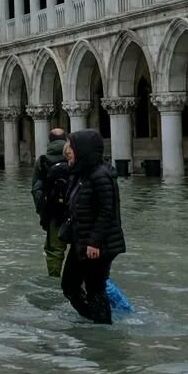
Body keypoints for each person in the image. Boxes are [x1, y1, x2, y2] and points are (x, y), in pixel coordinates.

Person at [60, 129, 127, 324]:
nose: (69, 151)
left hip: (97, 246)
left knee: (94, 289)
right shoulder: (82, 173)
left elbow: (107, 212)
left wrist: (94, 242)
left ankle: (102, 326)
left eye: (72, 147)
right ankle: (93, 318)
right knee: (69, 286)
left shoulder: (101, 175)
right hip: (81, 241)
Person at [31, 128, 71, 277]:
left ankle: (54, 279)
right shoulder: (75, 158)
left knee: (54, 250)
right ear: (66, 139)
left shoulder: (42, 161)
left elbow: (37, 190)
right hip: (76, 211)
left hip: (55, 212)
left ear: (49, 141)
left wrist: (42, 213)